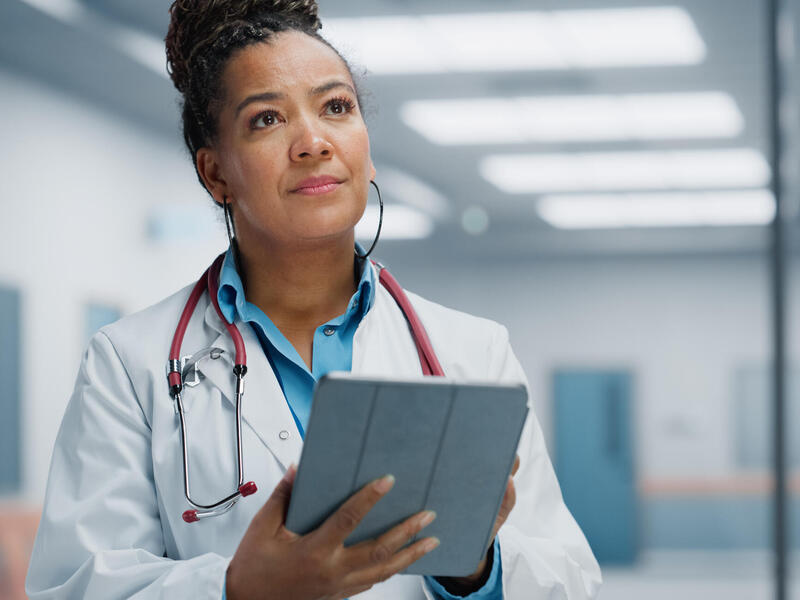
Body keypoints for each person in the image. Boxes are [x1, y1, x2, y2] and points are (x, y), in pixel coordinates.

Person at [25, 1, 601, 598]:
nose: (313, 142)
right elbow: (73, 586)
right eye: (267, 119)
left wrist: (476, 569)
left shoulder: (472, 351)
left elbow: (570, 578)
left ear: (366, 146)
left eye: (336, 107)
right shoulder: (129, 364)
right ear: (215, 173)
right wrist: (238, 588)